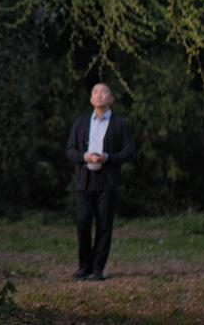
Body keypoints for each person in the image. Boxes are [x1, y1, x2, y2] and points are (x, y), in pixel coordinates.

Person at [65, 82, 134, 281]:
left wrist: (107, 158)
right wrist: (85, 157)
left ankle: (98, 269)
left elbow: (128, 152)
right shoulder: (81, 122)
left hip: (108, 180)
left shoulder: (120, 124)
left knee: (104, 225)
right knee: (83, 222)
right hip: (85, 179)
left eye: (104, 92)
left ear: (111, 99)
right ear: (91, 99)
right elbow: (70, 150)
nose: (99, 95)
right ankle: (83, 267)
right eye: (95, 91)